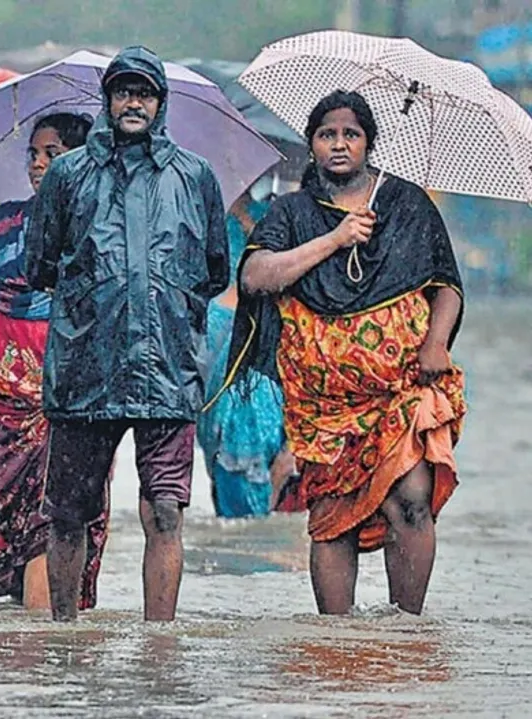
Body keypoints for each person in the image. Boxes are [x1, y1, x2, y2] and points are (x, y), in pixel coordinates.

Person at [231, 90, 466, 615]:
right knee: (334, 518)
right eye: (326, 135)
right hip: (323, 407)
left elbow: (446, 284)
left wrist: (435, 344)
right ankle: (336, 643)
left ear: (368, 143)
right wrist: (335, 239)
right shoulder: (293, 212)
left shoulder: (406, 205)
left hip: (402, 389)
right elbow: (256, 276)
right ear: (311, 146)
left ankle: (407, 632)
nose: (339, 144)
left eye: (350, 134)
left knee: (411, 500)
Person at [26, 46, 230, 622]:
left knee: (165, 511)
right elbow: (39, 263)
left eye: (143, 93)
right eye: (123, 92)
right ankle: (64, 635)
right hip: (85, 368)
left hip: (167, 368)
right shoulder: (68, 175)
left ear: (160, 104)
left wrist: (166, 302)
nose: (133, 102)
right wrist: (94, 294)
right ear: (107, 100)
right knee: (68, 513)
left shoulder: (195, 176)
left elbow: (215, 269)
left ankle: (158, 645)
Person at [0, 113, 108, 611]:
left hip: (66, 402)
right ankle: (29, 624)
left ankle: (42, 649)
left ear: (80, 161)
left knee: (51, 518)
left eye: (52, 154)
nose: (38, 164)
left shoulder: (102, 228)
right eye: (34, 154)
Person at [197, 184, 299, 518]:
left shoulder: (286, 214)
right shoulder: (207, 204)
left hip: (259, 328)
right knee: (214, 427)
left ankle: (262, 512)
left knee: (247, 426)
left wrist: (243, 216)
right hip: (215, 323)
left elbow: (279, 266)